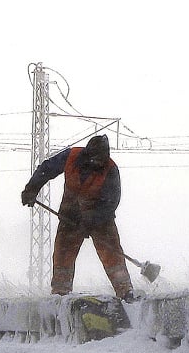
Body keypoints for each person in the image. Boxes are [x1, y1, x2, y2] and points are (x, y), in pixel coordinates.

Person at [20, 135, 134, 318]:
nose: (98, 163)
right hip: (70, 216)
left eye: (101, 160)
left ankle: (126, 293)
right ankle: (60, 295)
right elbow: (46, 169)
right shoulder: (71, 156)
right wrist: (32, 189)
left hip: (100, 218)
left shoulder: (110, 169)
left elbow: (112, 200)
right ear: (88, 155)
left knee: (112, 255)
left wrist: (92, 220)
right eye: (95, 160)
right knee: (63, 257)